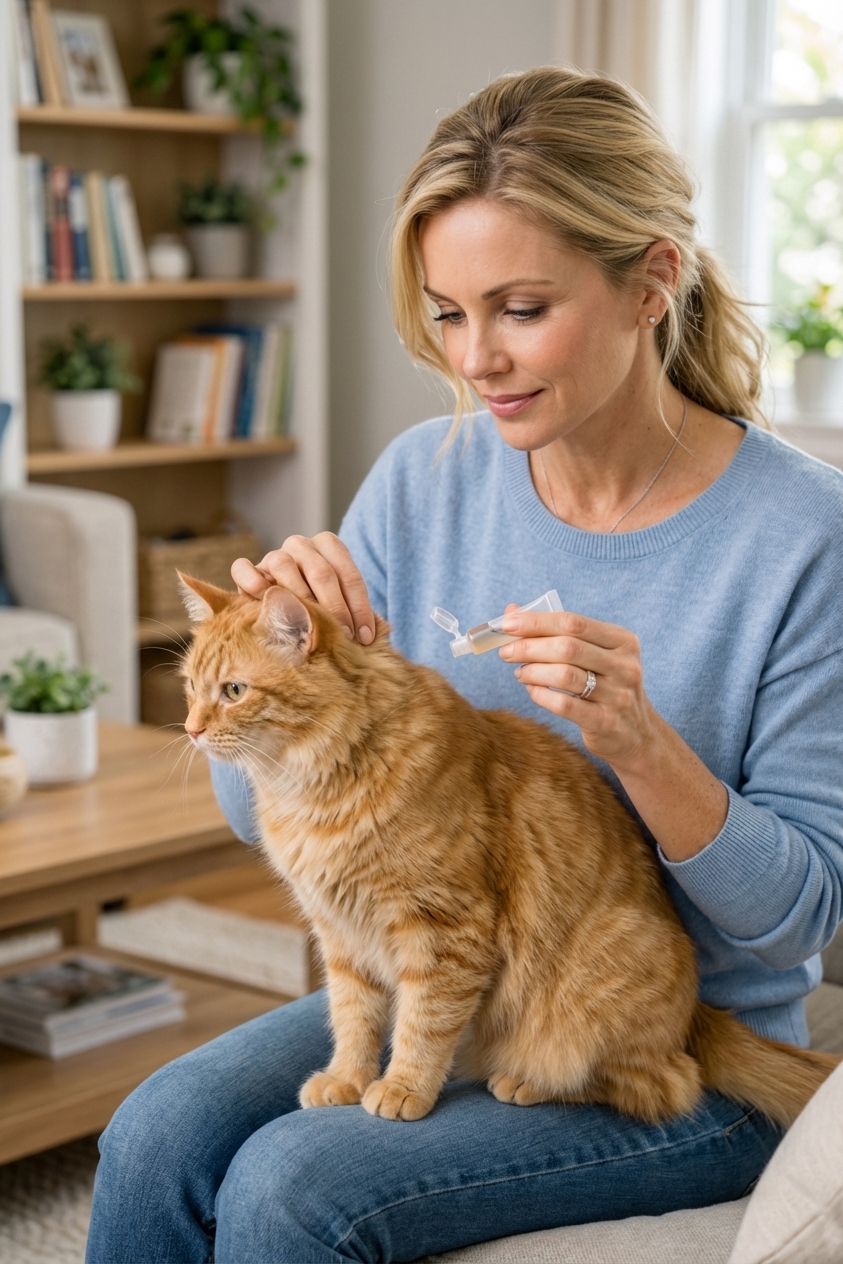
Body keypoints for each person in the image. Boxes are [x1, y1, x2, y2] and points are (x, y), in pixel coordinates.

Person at [86, 68, 843, 1263]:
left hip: (660, 1040)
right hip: (443, 986)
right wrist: (277, 658)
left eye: (522, 308)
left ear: (653, 282)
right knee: (153, 1134)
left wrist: (641, 745)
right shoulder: (422, 476)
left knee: (292, 1187)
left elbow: (804, 910)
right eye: (448, 312)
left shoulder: (804, 536)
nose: (476, 359)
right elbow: (256, 815)